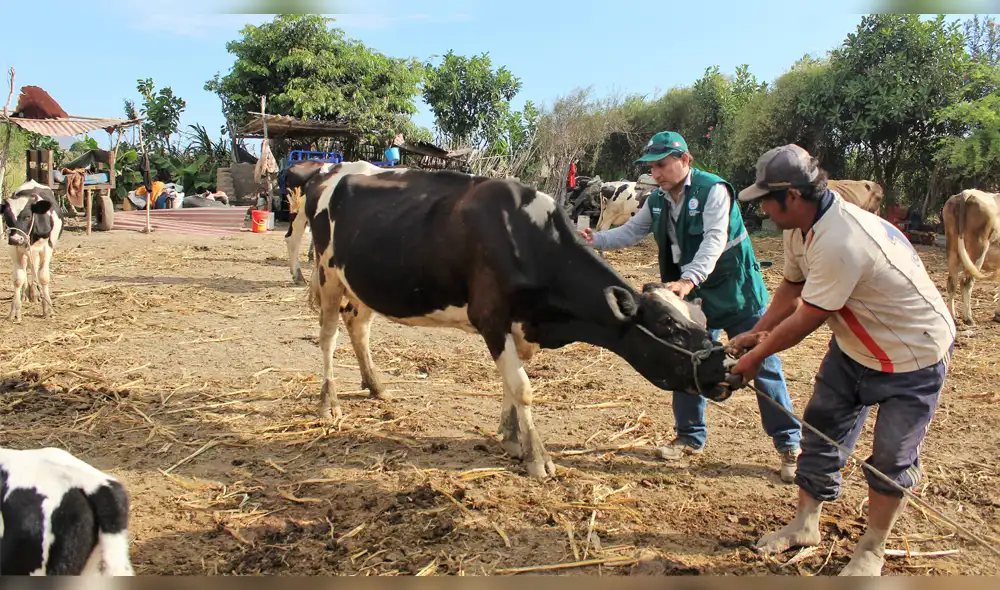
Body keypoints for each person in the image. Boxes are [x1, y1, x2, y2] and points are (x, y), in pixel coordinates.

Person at [729, 144, 956, 576]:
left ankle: (872, 548)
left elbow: (809, 319)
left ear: (791, 197)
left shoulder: (841, 239)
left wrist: (756, 356)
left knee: (892, 456)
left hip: (913, 354)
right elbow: (791, 288)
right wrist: (756, 330)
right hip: (856, 346)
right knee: (821, 428)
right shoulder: (798, 229)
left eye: (765, 201)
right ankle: (805, 523)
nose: (763, 210)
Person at [578, 130, 802, 481]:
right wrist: (595, 240)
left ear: (685, 160)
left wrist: (687, 280)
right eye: (652, 168)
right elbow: (631, 232)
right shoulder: (658, 201)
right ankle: (689, 437)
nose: (657, 174)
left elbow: (715, 240)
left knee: (764, 363)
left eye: (663, 165)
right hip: (693, 296)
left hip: (735, 291)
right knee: (688, 359)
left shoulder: (714, 191)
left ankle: (790, 444)